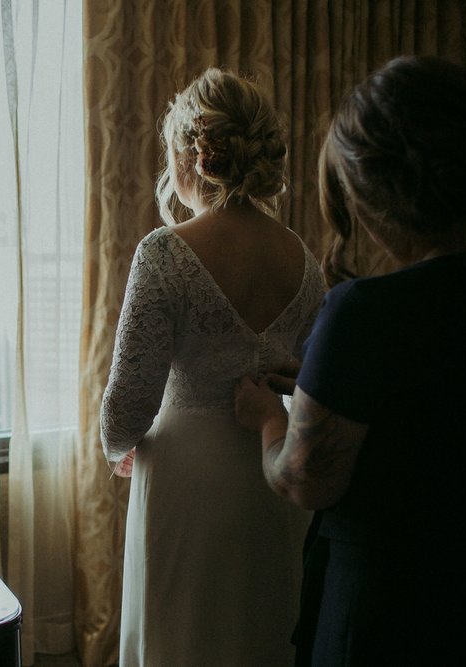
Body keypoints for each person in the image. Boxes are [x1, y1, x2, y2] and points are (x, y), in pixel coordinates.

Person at [235, 55, 466, 666]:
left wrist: (269, 417)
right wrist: (326, 385)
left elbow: (304, 479)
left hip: (401, 614)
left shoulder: (365, 311)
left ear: (386, 189)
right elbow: (454, 401)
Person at [100, 67, 325, 666]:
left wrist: (117, 446)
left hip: (186, 480)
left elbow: (126, 406)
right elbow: (310, 382)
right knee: (262, 634)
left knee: (183, 639)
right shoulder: (305, 260)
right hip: (272, 472)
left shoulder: (165, 252)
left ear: (190, 154)